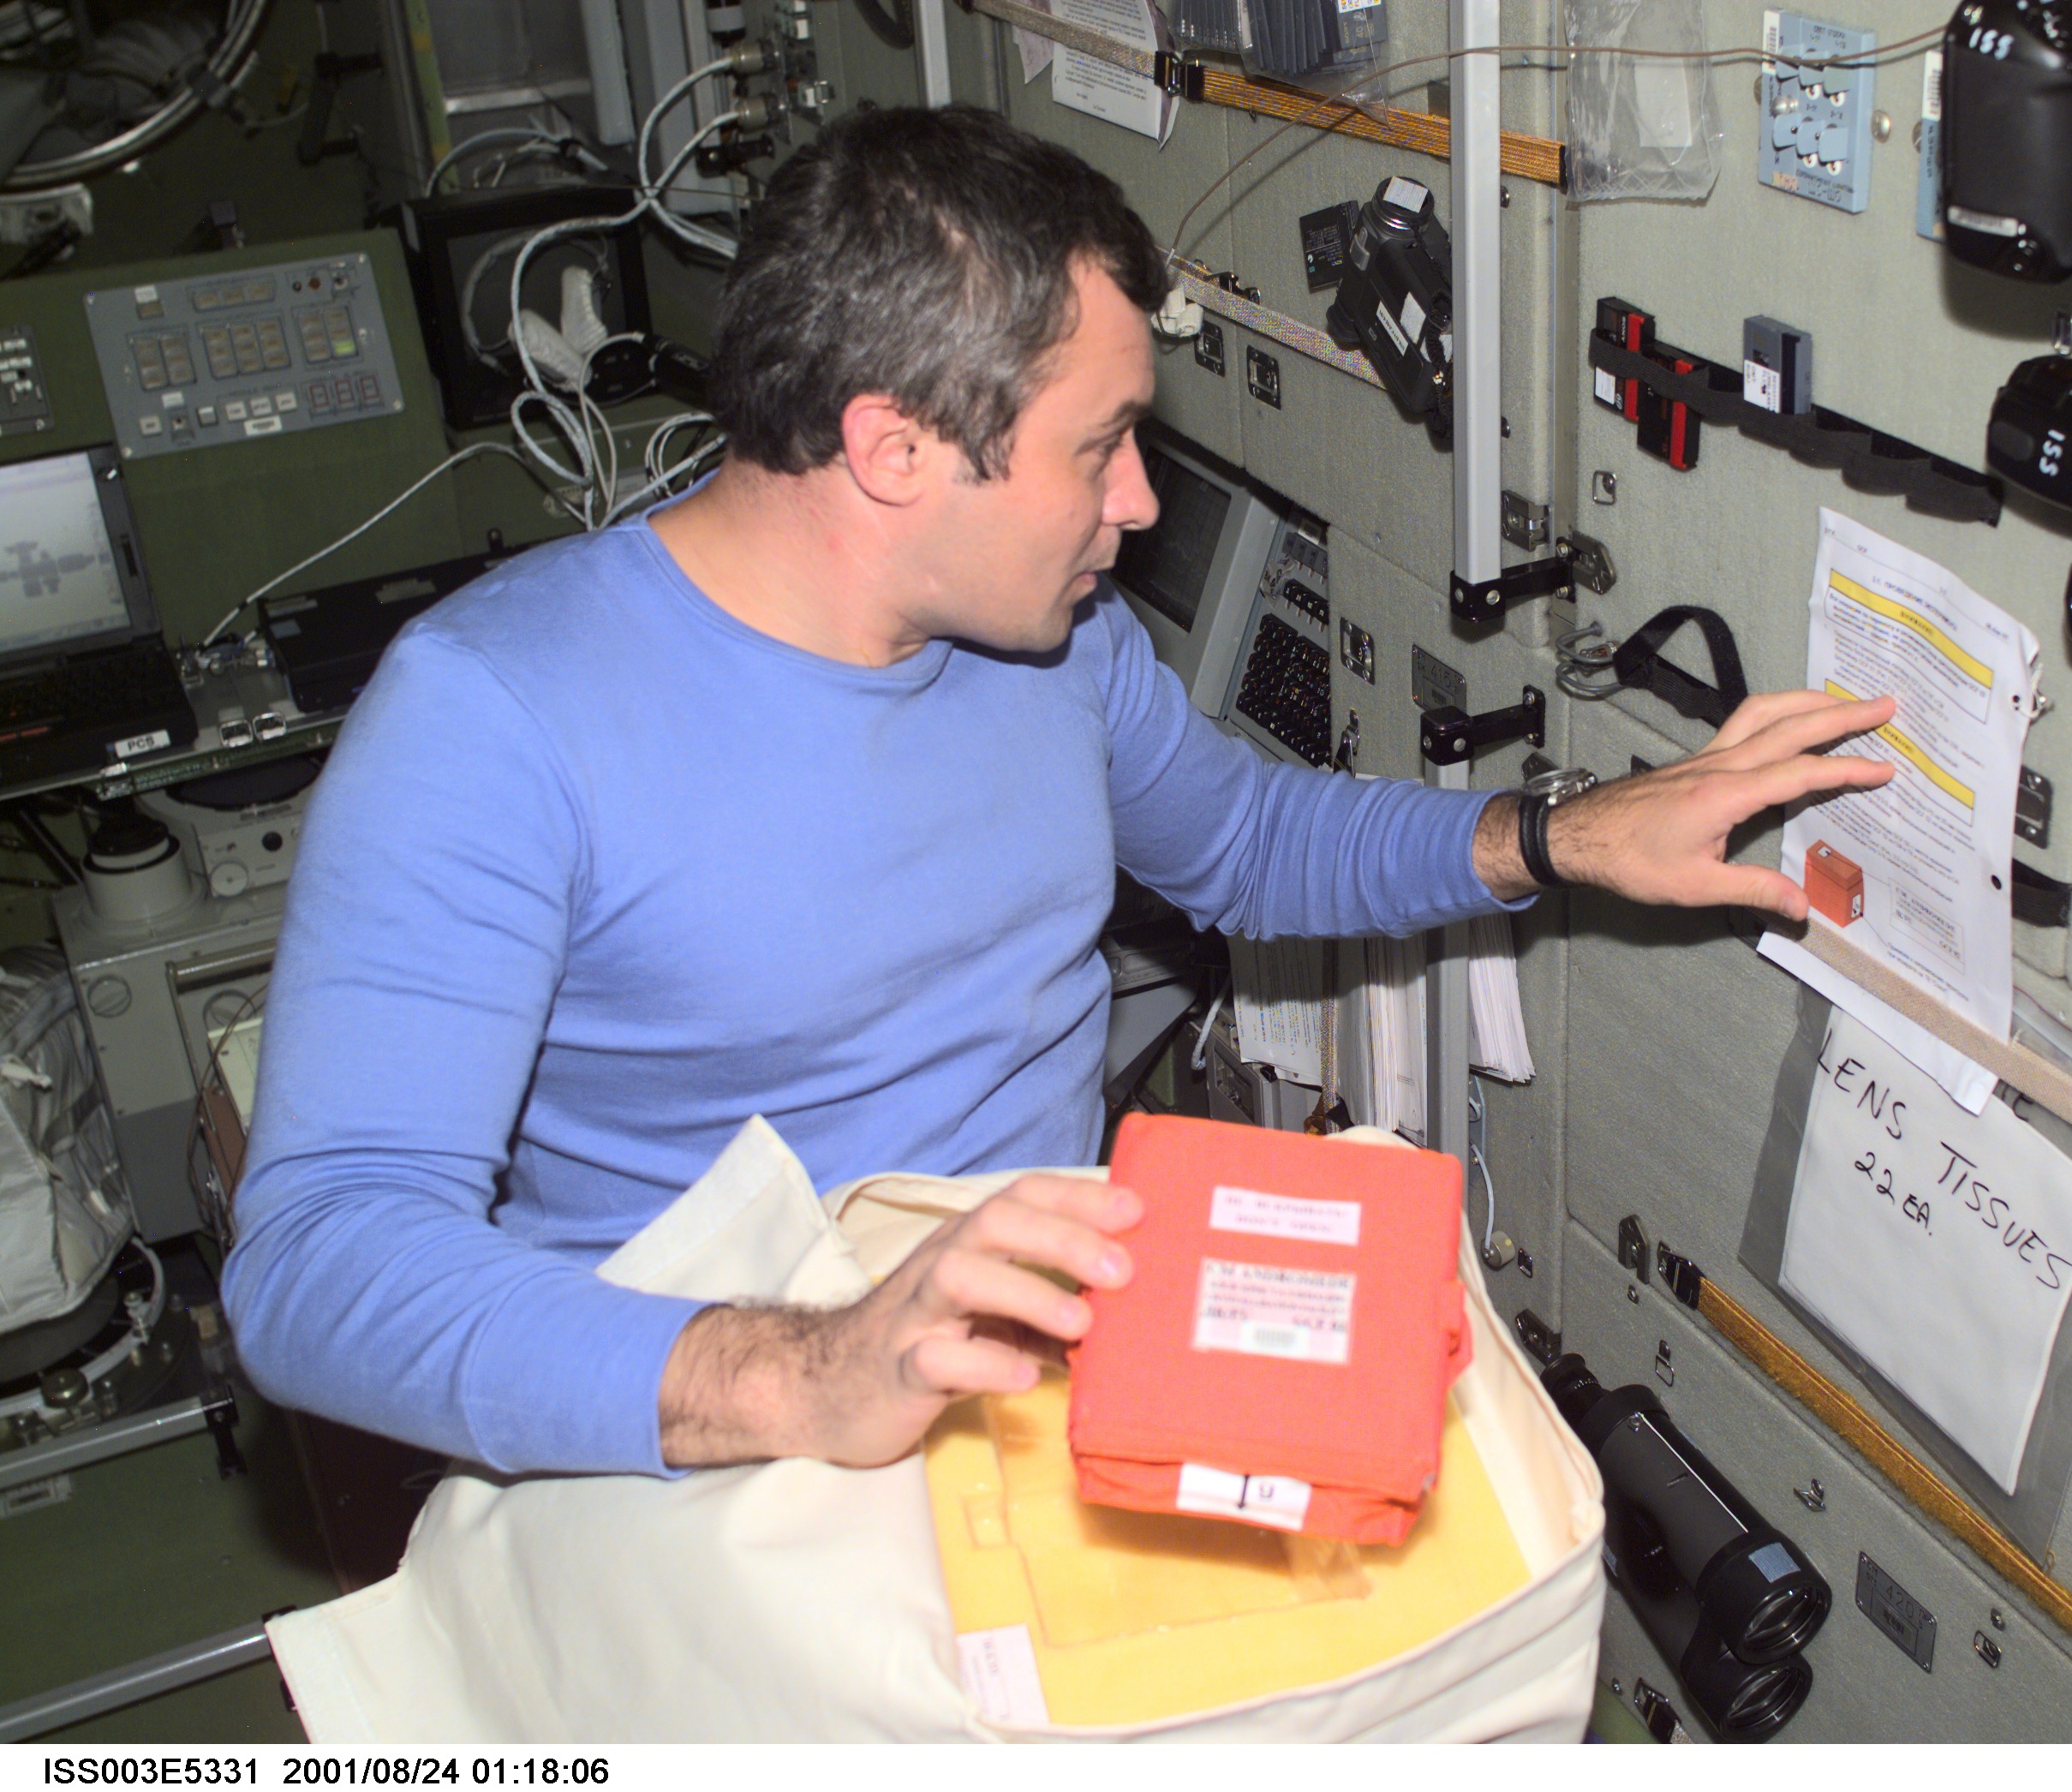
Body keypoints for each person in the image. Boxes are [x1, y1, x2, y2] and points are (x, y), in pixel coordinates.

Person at [221, 104, 1895, 1480]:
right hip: (707, 1440)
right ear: (892, 449)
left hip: (1046, 1410)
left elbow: (1241, 844)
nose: (1143, 503)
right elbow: (318, 1259)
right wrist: (793, 1371)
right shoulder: (493, 718)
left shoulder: (1052, 641)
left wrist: (1559, 834)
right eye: (1098, 447)